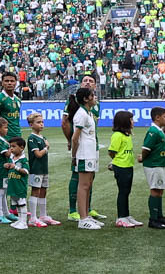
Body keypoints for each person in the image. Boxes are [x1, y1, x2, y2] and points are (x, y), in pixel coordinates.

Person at [62, 74, 100, 221]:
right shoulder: (77, 105)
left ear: (95, 86)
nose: (88, 82)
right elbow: (65, 123)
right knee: (78, 177)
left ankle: (87, 209)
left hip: (92, 145)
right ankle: (74, 210)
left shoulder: (95, 105)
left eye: (91, 81)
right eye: (85, 80)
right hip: (81, 147)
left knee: (90, 177)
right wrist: (71, 141)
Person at [69, 87, 102, 230]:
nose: (95, 97)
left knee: (88, 185)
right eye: (92, 95)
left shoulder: (87, 113)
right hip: (84, 154)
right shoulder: (81, 114)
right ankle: (82, 219)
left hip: (90, 153)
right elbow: (75, 138)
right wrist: (74, 156)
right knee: (83, 186)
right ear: (86, 99)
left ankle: (86, 214)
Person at [140, 106, 165, 229]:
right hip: (154, 165)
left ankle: (159, 216)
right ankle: (153, 219)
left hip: (161, 164)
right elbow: (146, 148)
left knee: (160, 189)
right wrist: (143, 158)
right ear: (157, 118)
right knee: (155, 190)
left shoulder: (159, 131)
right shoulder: (153, 131)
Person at [107, 110, 139, 228]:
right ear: (125, 121)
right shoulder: (117, 135)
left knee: (127, 191)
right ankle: (121, 217)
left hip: (128, 166)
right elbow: (112, 152)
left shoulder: (127, 135)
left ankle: (126, 215)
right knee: (123, 192)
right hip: (121, 167)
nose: (133, 121)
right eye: (131, 119)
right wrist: (116, 162)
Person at [26, 111, 58, 226]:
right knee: (35, 191)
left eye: (42, 122)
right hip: (36, 169)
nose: (41, 124)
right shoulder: (32, 138)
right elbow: (38, 154)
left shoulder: (42, 137)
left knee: (43, 191)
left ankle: (43, 215)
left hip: (44, 169)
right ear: (31, 125)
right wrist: (46, 148)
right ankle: (33, 218)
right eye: (38, 122)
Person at [5, 138, 30, 230]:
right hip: (12, 186)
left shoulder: (23, 160)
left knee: (22, 203)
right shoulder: (12, 158)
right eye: (10, 146)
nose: (11, 149)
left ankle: (24, 222)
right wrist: (7, 166)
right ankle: (20, 220)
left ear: (21, 147)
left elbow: (26, 171)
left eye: (14, 146)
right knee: (16, 204)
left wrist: (15, 167)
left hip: (20, 186)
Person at [0, 72, 24, 139]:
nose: (9, 83)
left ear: (16, 83)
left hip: (18, 136)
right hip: (5, 137)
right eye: (6, 81)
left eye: (12, 81)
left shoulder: (17, 99)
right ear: (2, 83)